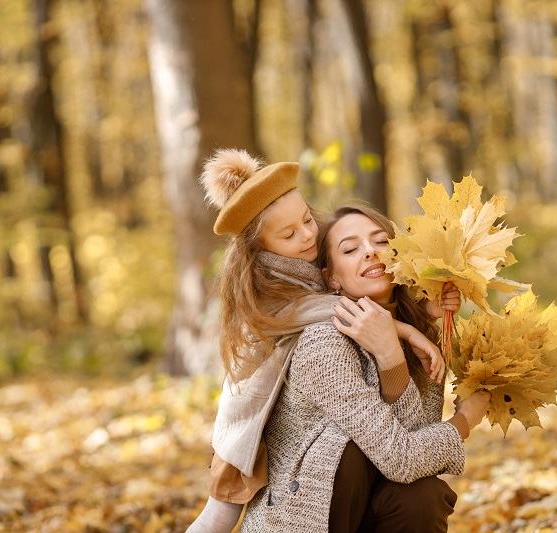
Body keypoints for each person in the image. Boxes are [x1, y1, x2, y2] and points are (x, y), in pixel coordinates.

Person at [187, 150, 458, 533]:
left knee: (421, 493)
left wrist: (420, 319)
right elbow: (321, 310)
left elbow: (418, 440)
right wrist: (400, 331)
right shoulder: (273, 291)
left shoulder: (316, 270)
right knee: (219, 513)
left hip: (358, 477)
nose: (307, 235)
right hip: (249, 430)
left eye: (307, 220)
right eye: (289, 234)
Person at [239, 204, 491, 532]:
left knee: (423, 495)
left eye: (381, 242)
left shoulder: (421, 339)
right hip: (301, 516)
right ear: (331, 278)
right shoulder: (322, 341)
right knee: (349, 448)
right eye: (350, 249)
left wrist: (397, 354)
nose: (371, 252)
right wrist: (465, 420)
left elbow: (417, 455)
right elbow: (403, 458)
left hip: (367, 506)